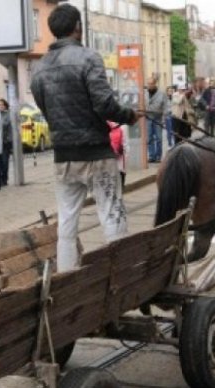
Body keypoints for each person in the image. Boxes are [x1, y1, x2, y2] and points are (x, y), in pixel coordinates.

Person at [30, 3, 140, 272]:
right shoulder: (88, 58)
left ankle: (67, 277)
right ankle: (120, 275)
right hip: (96, 154)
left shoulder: (39, 68)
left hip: (63, 157)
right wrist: (129, 116)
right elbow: (104, 105)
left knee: (67, 222)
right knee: (112, 214)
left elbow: (45, 109)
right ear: (78, 27)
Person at [145, 76, 169, 163]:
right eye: (148, 84)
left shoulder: (162, 94)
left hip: (158, 118)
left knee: (159, 138)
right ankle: (152, 156)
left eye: (151, 84)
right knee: (149, 138)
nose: (149, 86)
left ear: (155, 84)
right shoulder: (145, 93)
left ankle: (159, 156)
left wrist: (165, 117)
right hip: (147, 118)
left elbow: (166, 106)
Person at [108, 121, 128, 188]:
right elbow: (126, 147)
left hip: (107, 161)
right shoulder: (123, 126)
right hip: (120, 163)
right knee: (119, 187)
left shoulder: (104, 124)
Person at [0, 98, 13, 186]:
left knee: (4, 161)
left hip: (5, 142)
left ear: (5, 106)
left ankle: (4, 179)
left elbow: (5, 125)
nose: (0, 106)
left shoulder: (8, 114)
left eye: (2, 105)